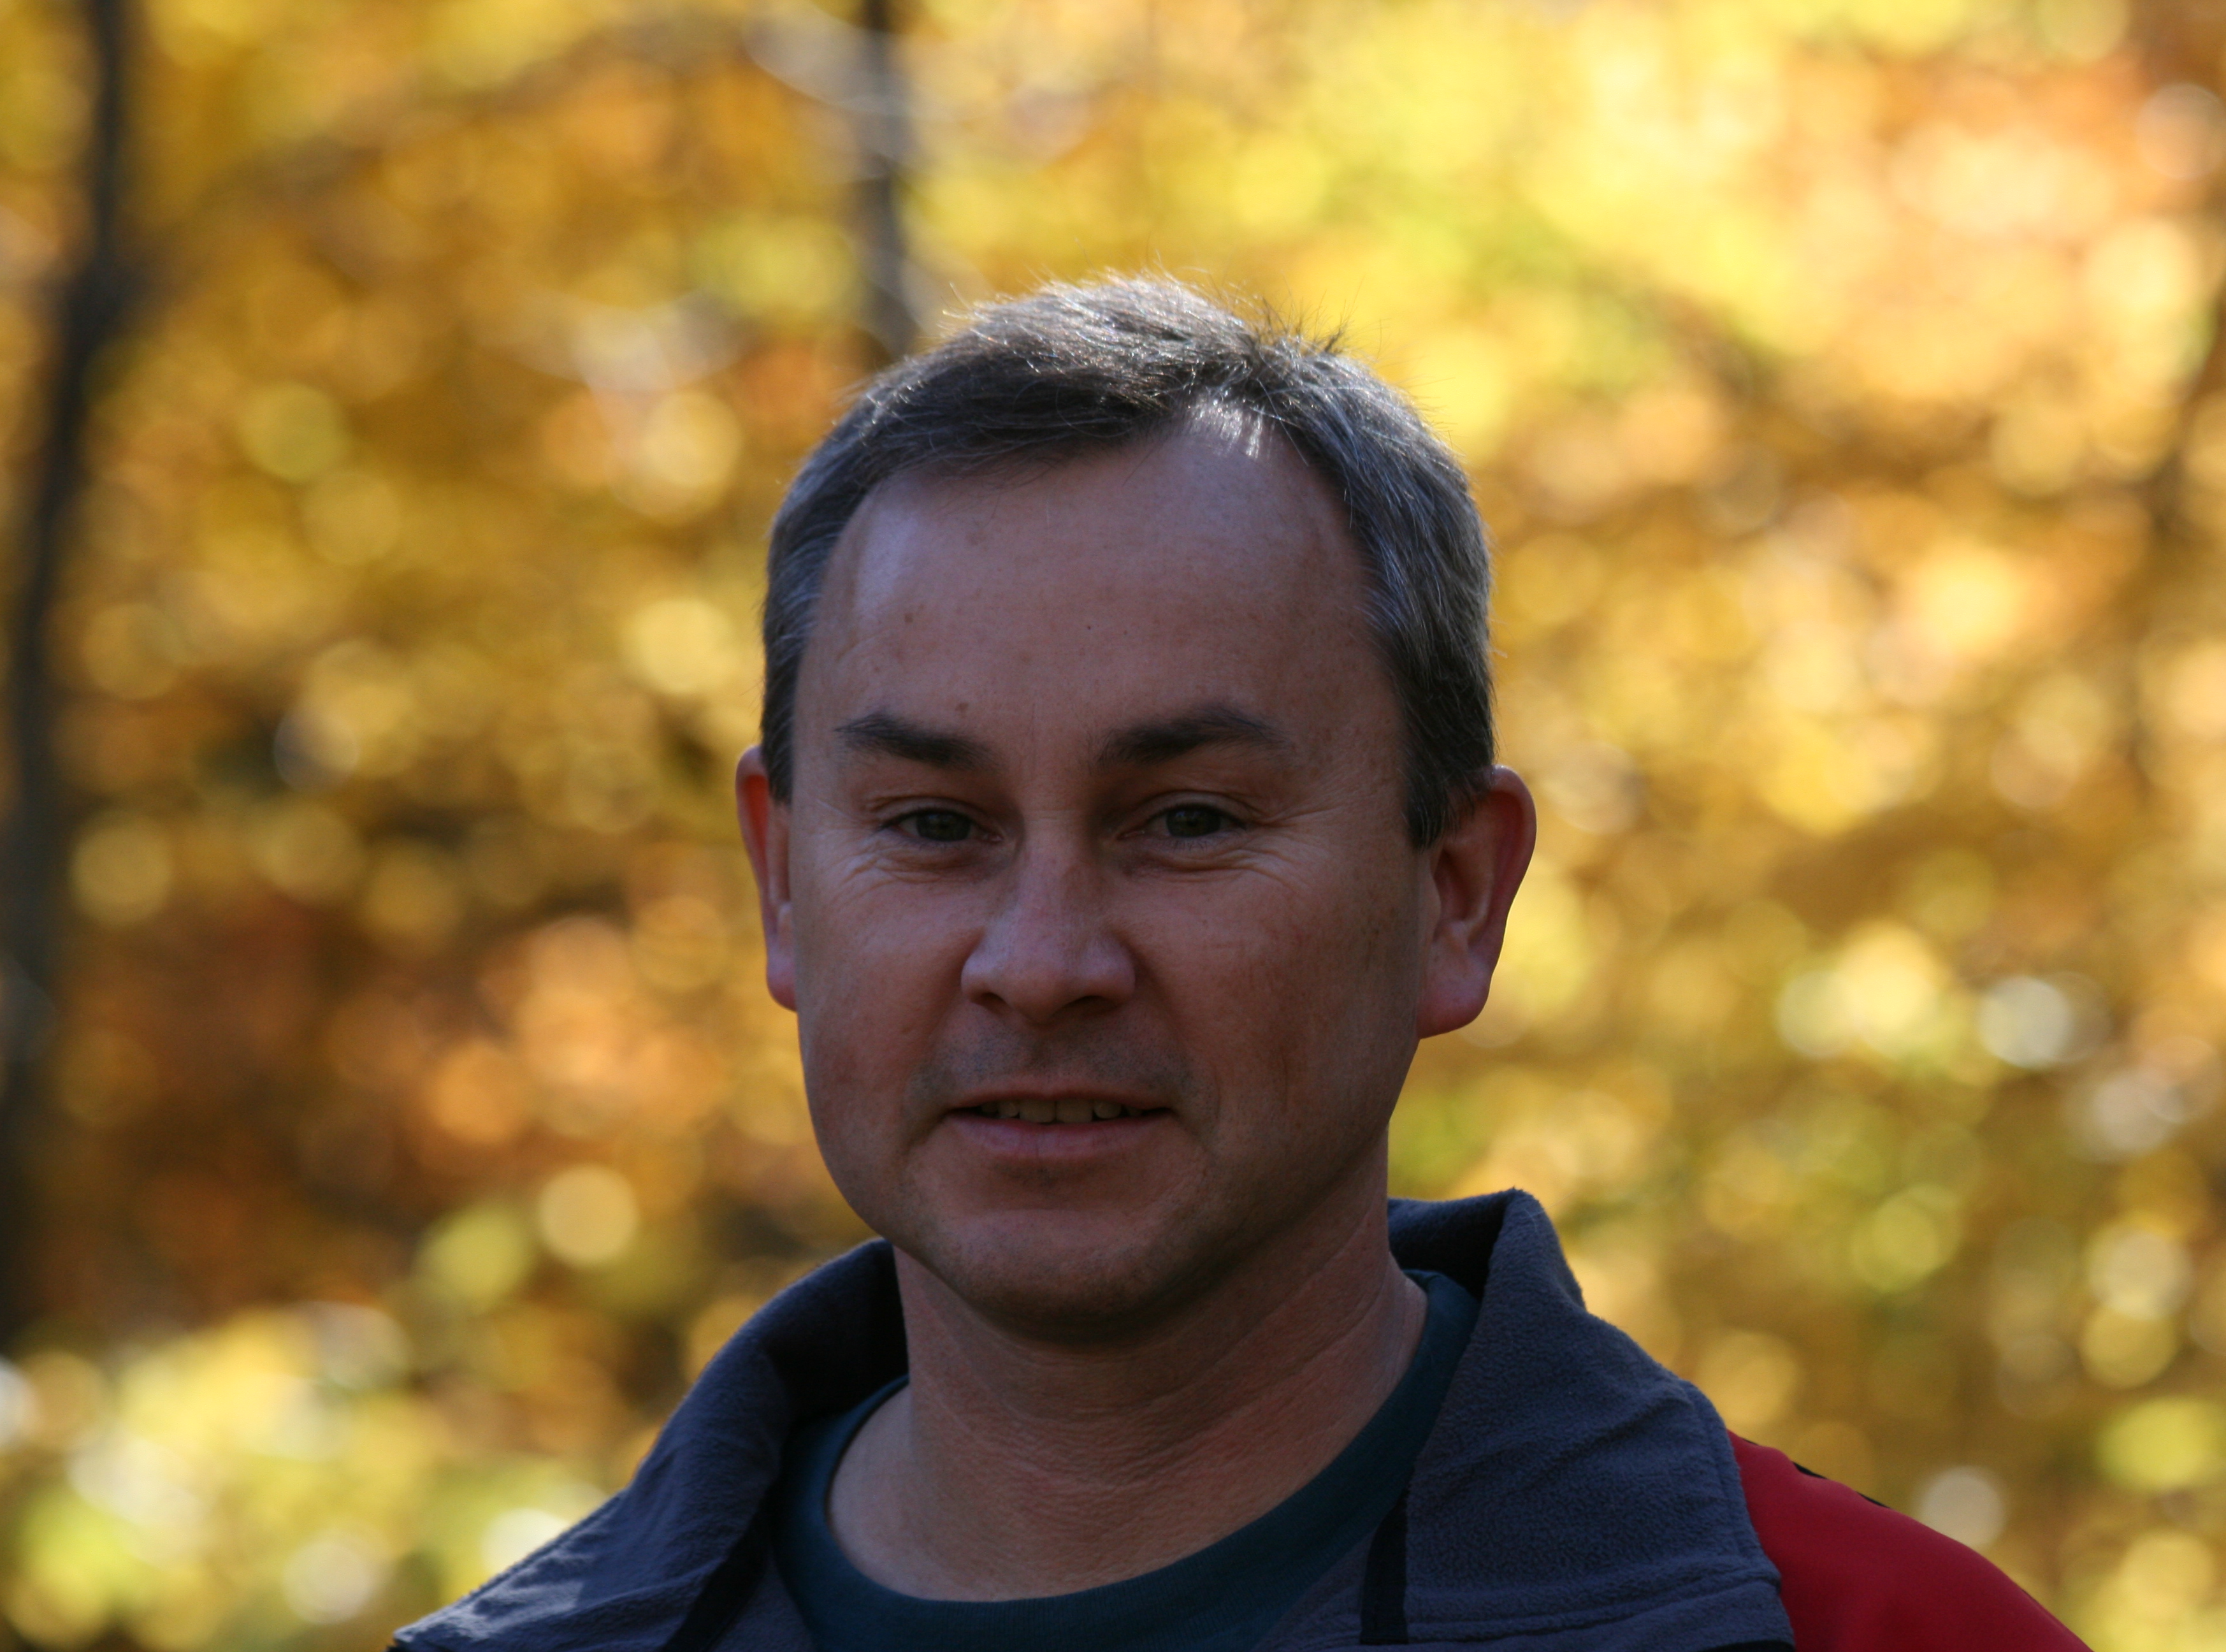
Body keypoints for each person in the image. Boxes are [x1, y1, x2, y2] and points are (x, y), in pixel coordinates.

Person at [391, 279, 2086, 1652]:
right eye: (934, 825)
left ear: (1455, 896)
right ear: (780, 884)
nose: (1041, 963)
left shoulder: (1873, 1638)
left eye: (1187, 821)